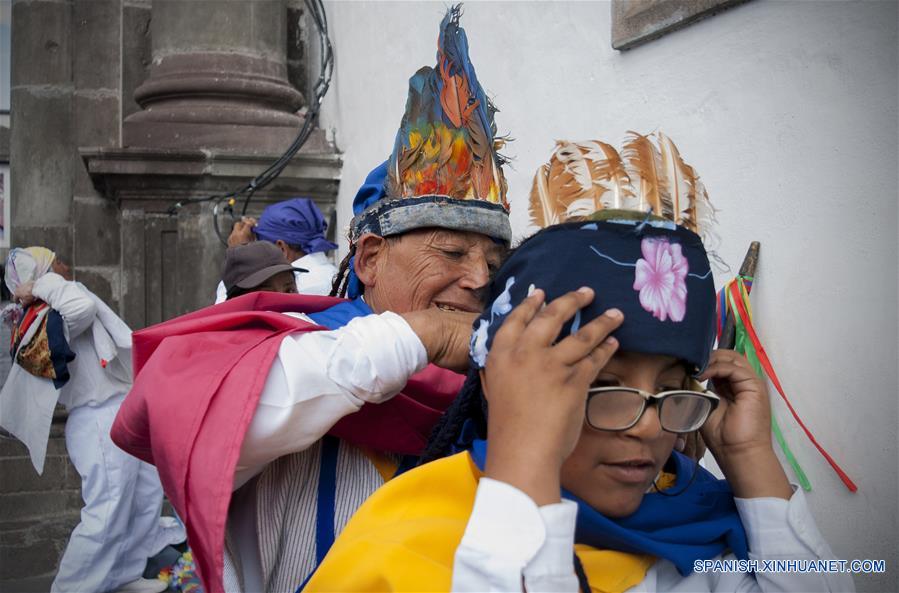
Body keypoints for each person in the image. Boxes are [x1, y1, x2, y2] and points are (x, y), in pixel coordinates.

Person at [300, 135, 855, 593]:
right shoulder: (413, 536)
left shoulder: (700, 518)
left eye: (670, 391)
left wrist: (751, 457)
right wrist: (527, 467)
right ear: (506, 386)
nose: (646, 425)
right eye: (604, 384)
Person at [111, 7, 512, 593]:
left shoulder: (498, 383)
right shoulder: (295, 351)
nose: (479, 278)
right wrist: (418, 336)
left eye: (495, 264)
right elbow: (190, 415)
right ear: (370, 260)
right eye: (451, 253)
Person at [0, 247, 185, 593]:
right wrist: (41, 285)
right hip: (98, 418)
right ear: (41, 274)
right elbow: (81, 308)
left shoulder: (54, 304)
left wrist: (43, 284)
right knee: (108, 511)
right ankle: (71, 588)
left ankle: (125, 574)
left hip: (120, 408)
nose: (64, 263)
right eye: (54, 261)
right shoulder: (51, 311)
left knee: (144, 495)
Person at [214, 198, 338, 302]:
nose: (256, 251)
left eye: (262, 246)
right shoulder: (333, 274)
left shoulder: (304, 285)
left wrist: (240, 256)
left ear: (281, 248)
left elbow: (225, 316)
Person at [220, 241, 306, 300]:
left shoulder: (311, 322)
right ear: (234, 300)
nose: (284, 300)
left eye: (290, 290)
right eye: (267, 295)